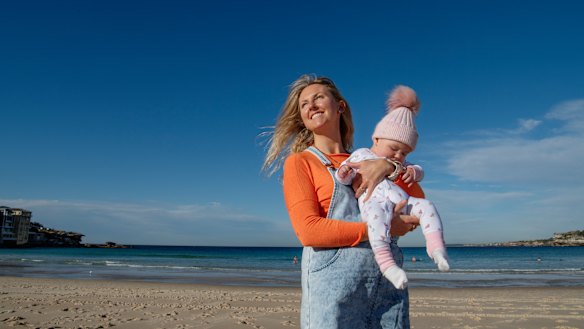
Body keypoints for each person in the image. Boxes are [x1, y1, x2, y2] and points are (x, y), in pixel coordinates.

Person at [262, 74, 420, 329]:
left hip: (388, 291)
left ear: (340, 107)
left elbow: (417, 206)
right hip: (334, 295)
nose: (311, 105)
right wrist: (382, 228)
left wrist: (388, 166)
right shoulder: (301, 162)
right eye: (304, 104)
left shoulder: (369, 159)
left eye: (318, 98)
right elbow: (308, 231)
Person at [335, 85, 449, 289]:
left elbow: (419, 171)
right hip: (373, 203)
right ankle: (388, 266)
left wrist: (414, 172)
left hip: (400, 200)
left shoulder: (398, 165)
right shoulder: (362, 154)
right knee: (377, 223)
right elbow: (346, 172)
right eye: (394, 148)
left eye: (404, 153)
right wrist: (344, 174)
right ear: (376, 139)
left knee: (427, 206)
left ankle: (436, 248)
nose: (398, 155)